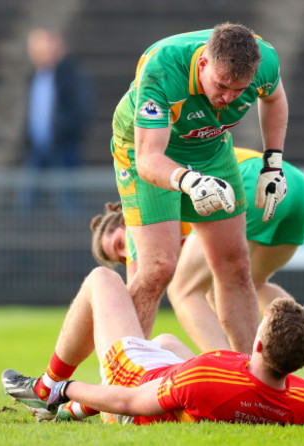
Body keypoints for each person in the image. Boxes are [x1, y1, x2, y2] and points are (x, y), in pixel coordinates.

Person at [90, 147, 304, 396]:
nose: (126, 255)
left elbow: (135, 305)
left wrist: (119, 377)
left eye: (119, 245)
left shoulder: (138, 217)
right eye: (119, 258)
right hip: (297, 190)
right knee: (248, 286)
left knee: (183, 289)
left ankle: (230, 378)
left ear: (123, 221)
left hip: (249, 182)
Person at [110, 23, 289, 354]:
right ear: (204, 63)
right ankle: (121, 383)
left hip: (209, 146)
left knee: (235, 265)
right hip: (147, 148)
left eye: (239, 91)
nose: (228, 98)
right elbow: (149, 158)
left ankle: (249, 380)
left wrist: (273, 164)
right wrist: (190, 181)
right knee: (157, 267)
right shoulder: (163, 67)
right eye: (222, 86)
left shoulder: (266, 62)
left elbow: (275, 99)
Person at [1, 266, 304, 425]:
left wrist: (67, 388)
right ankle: (72, 412)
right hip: (182, 384)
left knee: (103, 279)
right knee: (166, 341)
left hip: (132, 385)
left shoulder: (206, 377)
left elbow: (129, 402)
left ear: (259, 346)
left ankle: (46, 389)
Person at [16, 27, 94, 215]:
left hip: (63, 144)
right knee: (26, 201)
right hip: (37, 145)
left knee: (68, 200)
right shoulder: (34, 76)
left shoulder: (71, 75)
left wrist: (64, 132)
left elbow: (80, 109)